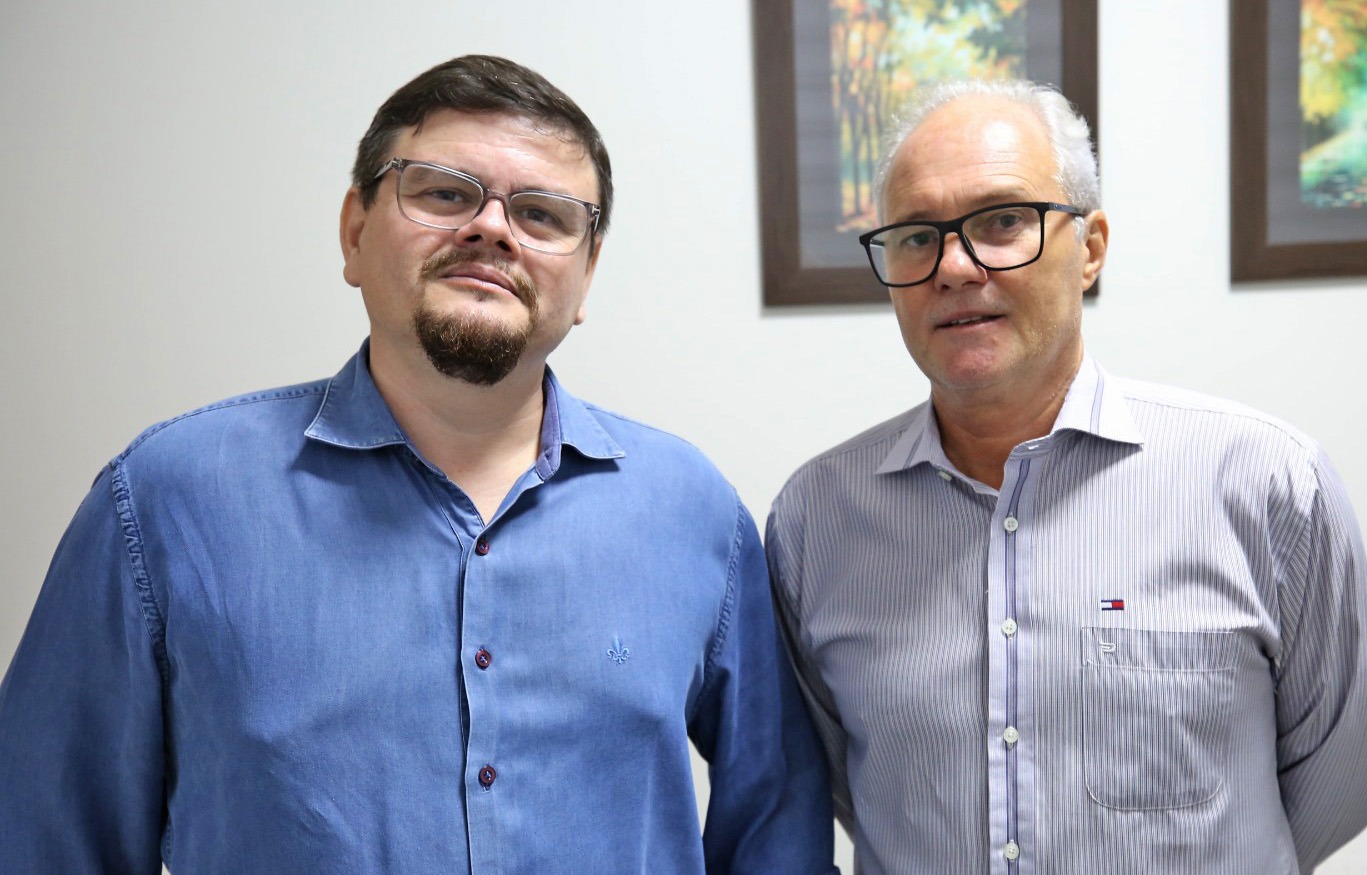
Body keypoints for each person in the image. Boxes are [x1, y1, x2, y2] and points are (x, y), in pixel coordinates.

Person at [0, 55, 836, 874]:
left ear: (585, 279)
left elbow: (778, 836)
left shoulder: (691, 511)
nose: (492, 227)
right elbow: (45, 836)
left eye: (543, 214)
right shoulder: (164, 500)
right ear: (355, 231)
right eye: (444, 192)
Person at [766, 79, 1367, 875]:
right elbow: (844, 785)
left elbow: (1344, 771)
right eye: (918, 236)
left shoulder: (1265, 484)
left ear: (1090, 247)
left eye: (1001, 221)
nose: (954, 266)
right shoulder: (817, 521)